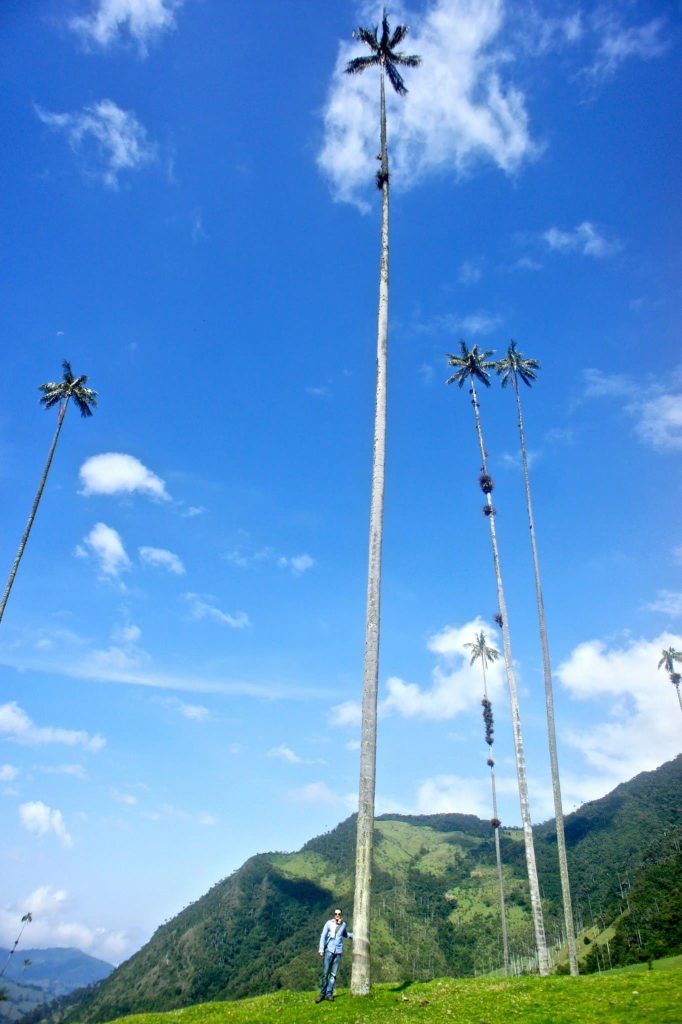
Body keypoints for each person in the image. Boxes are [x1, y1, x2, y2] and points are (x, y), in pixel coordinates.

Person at [315, 908, 352, 1003]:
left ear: (341, 915)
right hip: (329, 951)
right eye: (336, 914)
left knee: (333, 974)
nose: (337, 915)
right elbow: (323, 936)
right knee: (325, 973)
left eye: (339, 914)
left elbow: (345, 934)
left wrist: (355, 936)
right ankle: (322, 994)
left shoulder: (343, 925)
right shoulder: (328, 923)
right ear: (333, 915)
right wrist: (321, 949)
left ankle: (329, 994)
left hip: (338, 952)